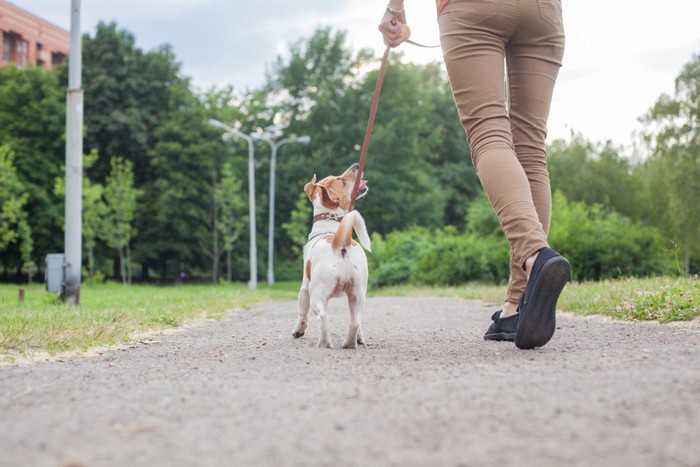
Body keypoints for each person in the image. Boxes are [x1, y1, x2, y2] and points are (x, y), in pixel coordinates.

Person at [379, 0, 570, 349]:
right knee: (530, 147)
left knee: (489, 133)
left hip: (472, 8)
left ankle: (534, 254)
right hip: (543, 11)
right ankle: (515, 306)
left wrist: (394, 9)